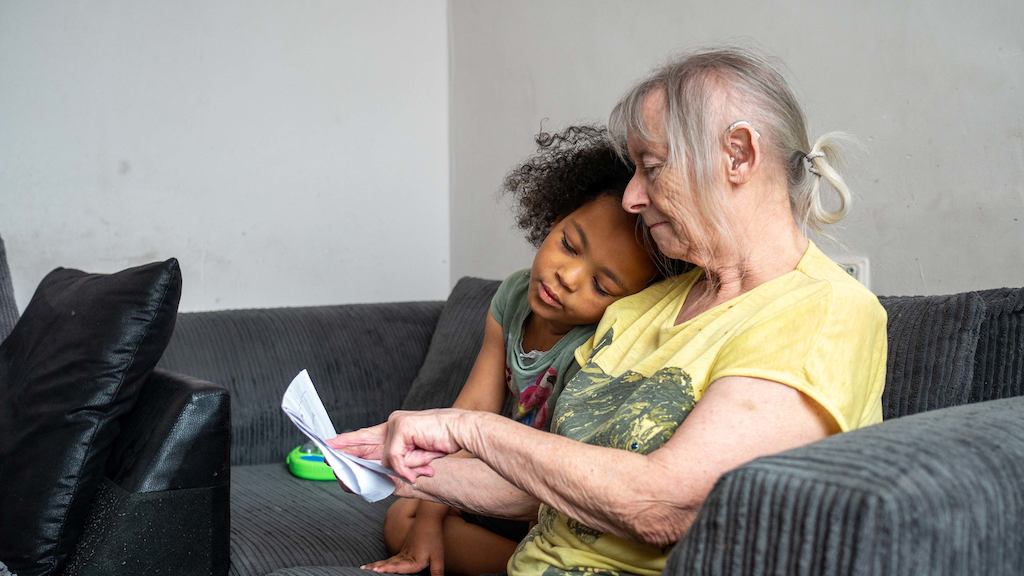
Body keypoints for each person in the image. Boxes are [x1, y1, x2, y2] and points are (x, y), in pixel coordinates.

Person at [330, 47, 888, 576]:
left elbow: (660, 505)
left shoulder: (826, 310)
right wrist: (395, 467)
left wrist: (468, 427)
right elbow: (544, 490)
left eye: (652, 167)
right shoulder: (639, 309)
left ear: (737, 154)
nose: (631, 199)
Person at [362, 126, 672, 576]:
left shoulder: (596, 346)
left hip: (545, 506)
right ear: (555, 215)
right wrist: (430, 515)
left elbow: (560, 481)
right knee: (404, 519)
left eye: (601, 285)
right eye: (568, 244)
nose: (567, 276)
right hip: (489, 483)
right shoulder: (511, 298)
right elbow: (472, 410)